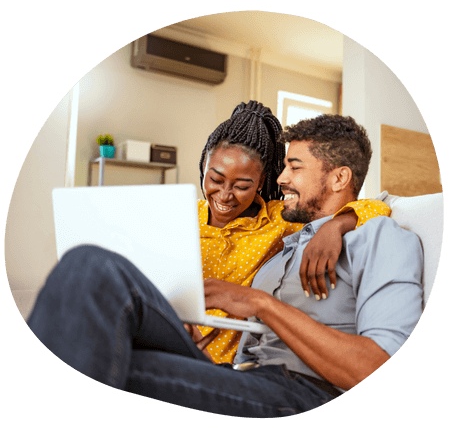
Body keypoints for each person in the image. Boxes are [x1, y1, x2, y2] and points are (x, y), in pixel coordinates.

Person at [27, 114, 423, 417]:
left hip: (304, 393)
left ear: (339, 178)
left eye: (295, 167)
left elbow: (375, 366)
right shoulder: (286, 247)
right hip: (241, 374)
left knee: (97, 318)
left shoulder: (380, 237)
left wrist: (261, 303)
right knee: (90, 267)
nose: (281, 178)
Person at [196, 101, 390, 363]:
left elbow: (379, 206)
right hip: (171, 340)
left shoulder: (280, 219)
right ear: (204, 167)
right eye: (215, 180)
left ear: (261, 182)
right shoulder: (181, 217)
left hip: (223, 362)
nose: (225, 195)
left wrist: (337, 225)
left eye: (242, 185)